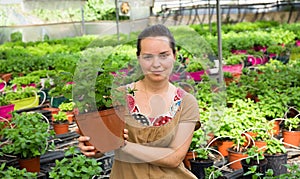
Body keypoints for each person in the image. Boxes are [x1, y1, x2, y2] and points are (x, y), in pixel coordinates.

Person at [78, 24, 200, 179]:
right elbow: (101, 145)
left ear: (174, 56)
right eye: (148, 56)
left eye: (164, 55)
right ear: (139, 59)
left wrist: (123, 145)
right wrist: (93, 146)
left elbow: (174, 158)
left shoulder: (186, 103)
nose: (156, 64)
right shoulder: (118, 96)